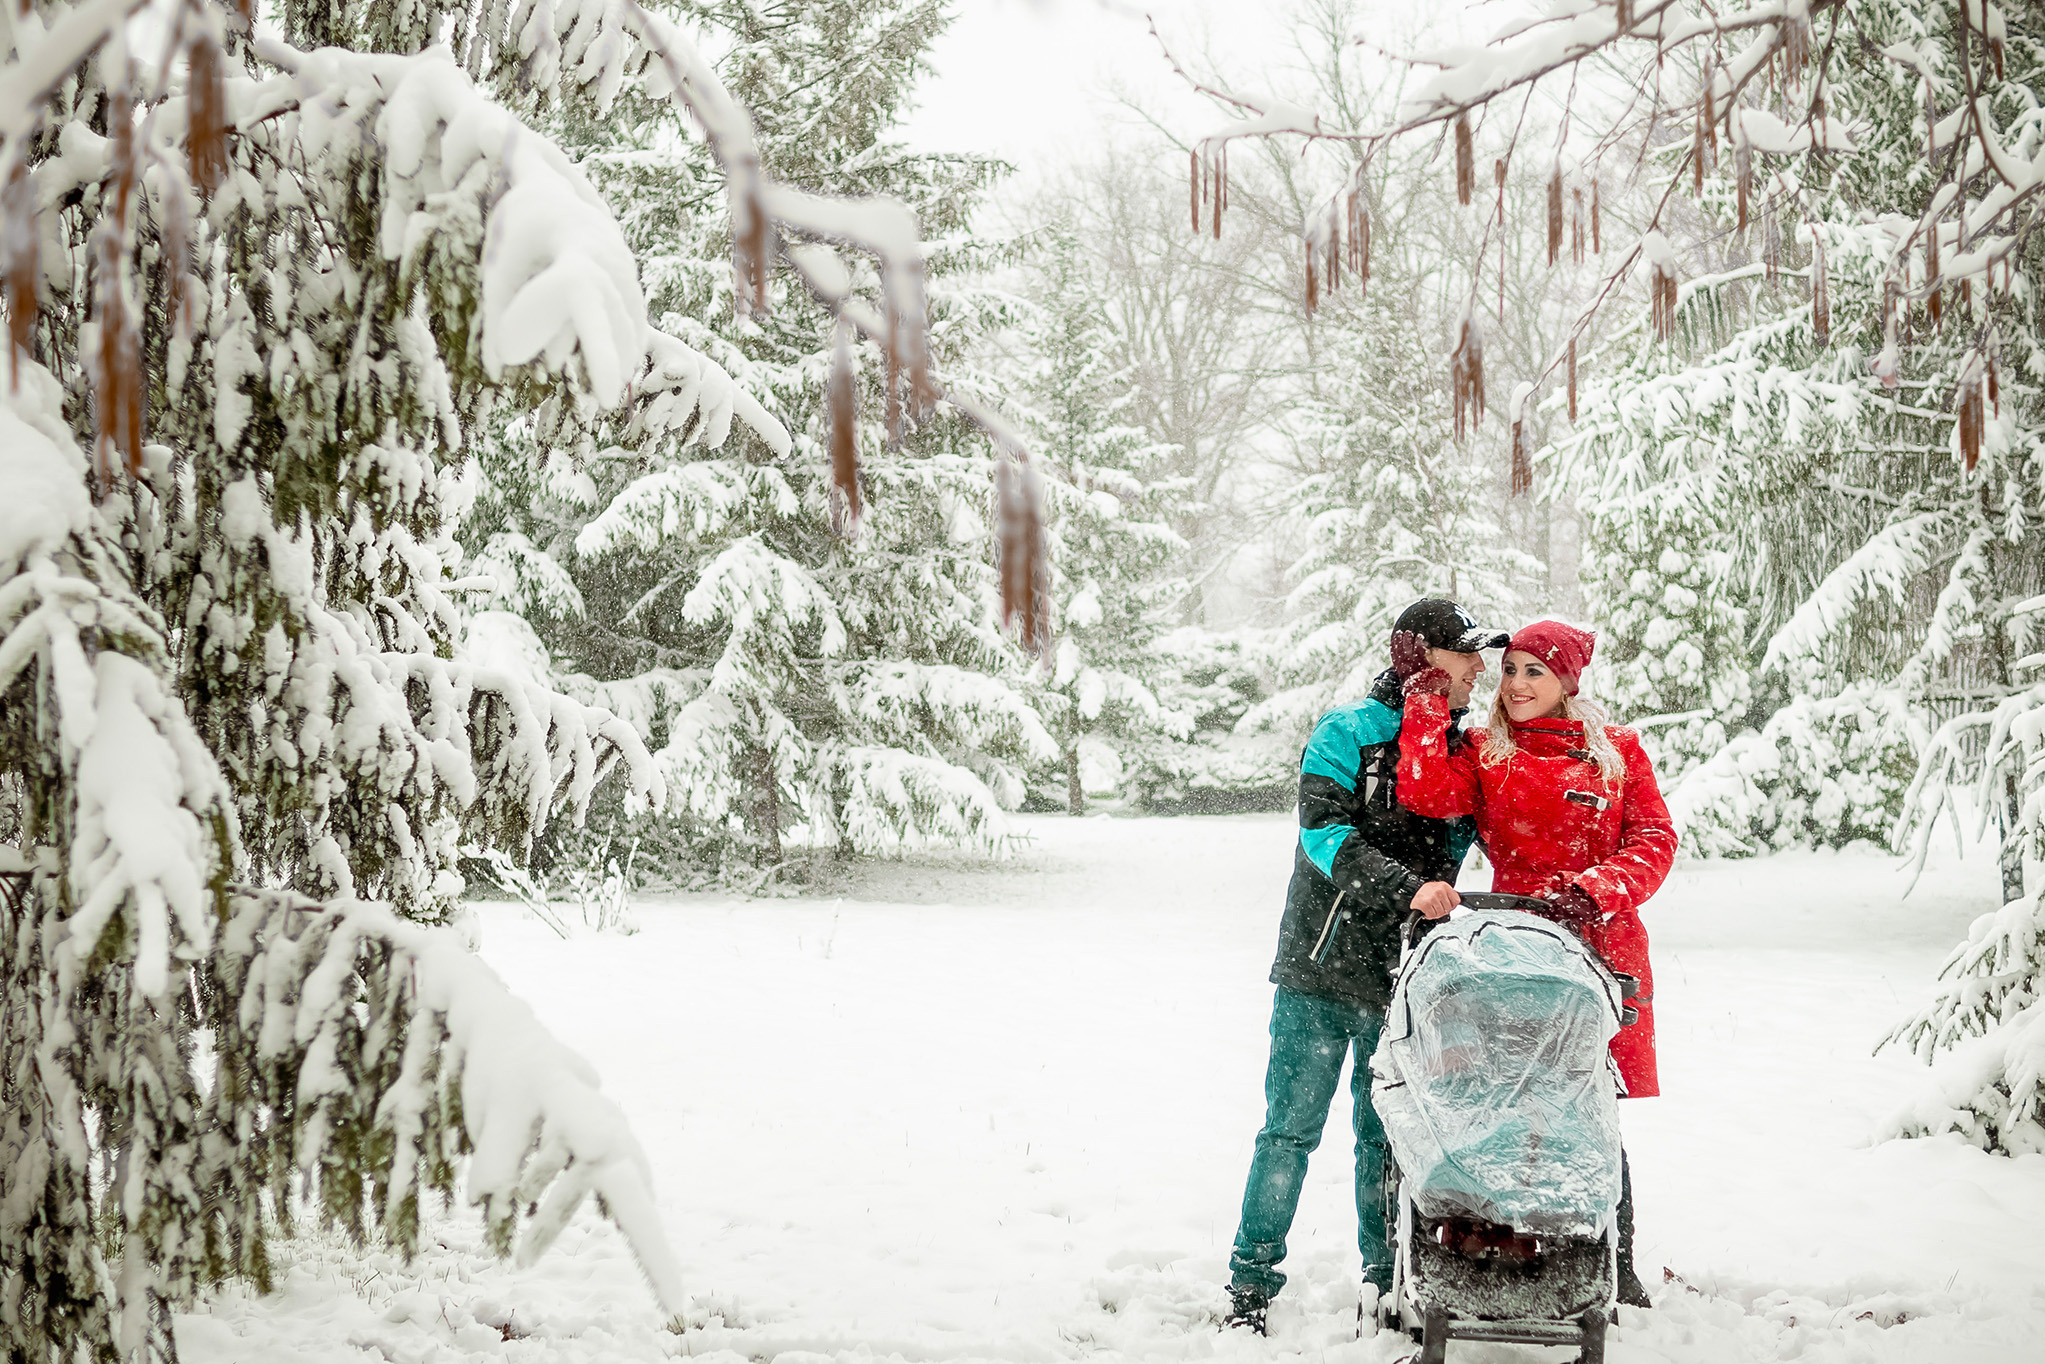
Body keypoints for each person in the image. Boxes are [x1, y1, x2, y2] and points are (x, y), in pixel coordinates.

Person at [1223, 598, 1509, 1334]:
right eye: (1466, 653)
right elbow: (1323, 836)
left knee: (1385, 1141)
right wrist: (1407, 888)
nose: (1480, 667)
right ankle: (1249, 1286)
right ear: (1422, 656)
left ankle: (1385, 1286)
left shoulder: (1461, 750)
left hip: (1402, 982)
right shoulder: (1345, 732)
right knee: (1287, 1132)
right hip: (1318, 972)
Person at [1394, 618, 1677, 1309]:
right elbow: (1426, 792)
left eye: (1533, 672)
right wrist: (1426, 705)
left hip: (1598, 946)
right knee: (1506, 1101)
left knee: (1585, 1107)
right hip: (1514, 951)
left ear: (1567, 682)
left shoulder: (1616, 752)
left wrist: (1594, 890)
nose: (1516, 685)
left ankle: (1613, 1259)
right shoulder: (1488, 751)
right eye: (1510, 669)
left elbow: (1654, 839)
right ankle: (1504, 1249)